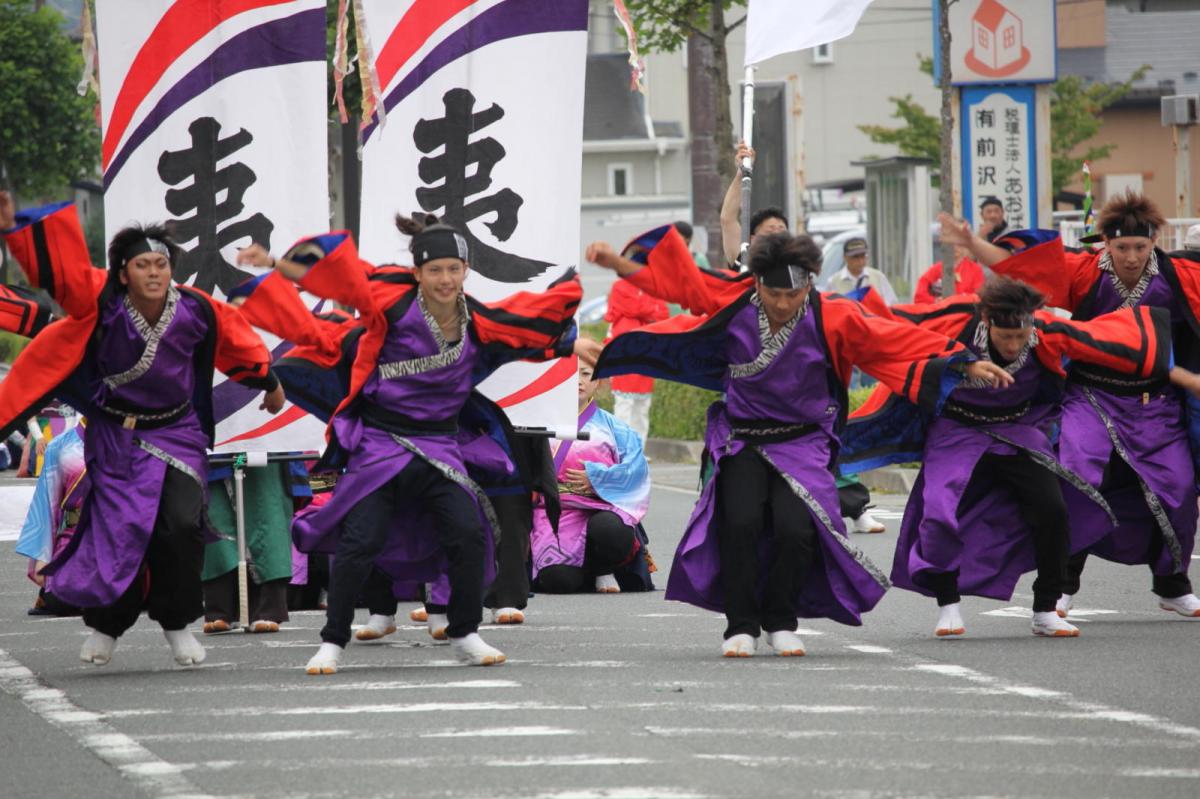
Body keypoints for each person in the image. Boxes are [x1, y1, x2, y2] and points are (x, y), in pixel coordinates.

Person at [586, 225, 1012, 657]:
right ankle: (741, 625)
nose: (784, 304)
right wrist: (618, 264)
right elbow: (686, 283)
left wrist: (964, 362)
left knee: (796, 531)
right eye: (774, 295)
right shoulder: (734, 302)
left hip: (804, 441)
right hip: (743, 438)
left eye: (794, 294)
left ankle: (780, 619)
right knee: (741, 523)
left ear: (809, 284)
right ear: (757, 284)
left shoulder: (834, 315)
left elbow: (894, 339)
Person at [235, 211, 581, 673]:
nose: (444, 279)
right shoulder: (391, 309)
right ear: (417, 273)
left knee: (468, 533)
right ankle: (333, 640)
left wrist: (573, 342)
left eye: (453, 269)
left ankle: (464, 631)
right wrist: (277, 263)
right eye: (434, 270)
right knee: (361, 542)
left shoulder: (476, 321)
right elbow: (343, 280)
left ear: (465, 272)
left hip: (441, 447)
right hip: (382, 444)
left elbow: (526, 329)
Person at [0, 193, 284, 668]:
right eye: (143, 265)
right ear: (123, 272)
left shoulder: (195, 310)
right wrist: (18, 230)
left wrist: (269, 384)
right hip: (116, 436)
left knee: (179, 525)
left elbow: (238, 340)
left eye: (162, 264)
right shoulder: (103, 305)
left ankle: (176, 624)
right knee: (121, 530)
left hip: (177, 432)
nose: (154, 272)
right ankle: (107, 627)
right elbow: (63, 277)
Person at [844, 276, 1184, 637]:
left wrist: (1171, 365)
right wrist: (960, 365)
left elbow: (1104, 339)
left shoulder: (1044, 332)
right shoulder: (957, 320)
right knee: (940, 511)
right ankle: (948, 605)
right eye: (1005, 336)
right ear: (988, 321)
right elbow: (893, 325)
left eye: (1020, 337)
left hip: (1016, 430)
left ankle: (1045, 608)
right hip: (956, 430)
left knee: (1053, 509)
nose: (1013, 344)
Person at [939, 191, 1200, 618]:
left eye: (1140, 247)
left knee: (1179, 490)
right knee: (1077, 476)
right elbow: (1024, 266)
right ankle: (1061, 583)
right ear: (1105, 244)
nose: (1131, 257)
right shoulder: (1085, 271)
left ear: (1154, 242)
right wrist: (974, 245)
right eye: (1121, 248)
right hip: (1090, 395)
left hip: (1156, 401)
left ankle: (1172, 583)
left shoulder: (1177, 276)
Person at [530, 357, 655, 595]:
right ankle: (580, 571)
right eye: (571, 374)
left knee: (610, 530)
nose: (578, 381)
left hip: (601, 509)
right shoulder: (536, 424)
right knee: (558, 582)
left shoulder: (615, 428)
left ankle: (603, 567)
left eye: (586, 374)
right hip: (556, 511)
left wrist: (598, 478)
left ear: (598, 382)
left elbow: (637, 472)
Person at [201, 460, 307, 634]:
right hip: (215, 446)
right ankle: (220, 609)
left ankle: (267, 609)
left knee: (267, 518)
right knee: (216, 522)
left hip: (264, 444)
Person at [16, 419, 86, 617]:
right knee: (64, 601)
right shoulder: (61, 445)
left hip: (118, 541)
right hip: (75, 538)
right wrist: (43, 558)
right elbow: (47, 504)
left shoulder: (131, 442)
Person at [604, 267, 669, 443]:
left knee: (641, 407)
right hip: (624, 351)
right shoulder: (620, 286)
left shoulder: (652, 287)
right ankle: (622, 447)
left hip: (645, 353)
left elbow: (663, 314)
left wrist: (643, 308)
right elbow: (633, 309)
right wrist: (648, 309)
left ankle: (638, 448)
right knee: (624, 406)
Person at [719, 141, 788, 269]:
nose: (777, 233)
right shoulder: (745, 262)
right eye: (770, 229)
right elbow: (727, 219)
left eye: (781, 229)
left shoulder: (799, 267)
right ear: (752, 239)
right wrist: (741, 174)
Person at [824, 237, 898, 304]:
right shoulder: (833, 281)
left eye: (863, 256)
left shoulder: (878, 277)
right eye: (855, 257)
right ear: (845, 257)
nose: (860, 260)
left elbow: (891, 304)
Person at [913, 246, 986, 303]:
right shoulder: (936, 269)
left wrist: (957, 300)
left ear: (965, 246)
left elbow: (979, 297)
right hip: (940, 313)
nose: (955, 247)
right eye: (951, 244)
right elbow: (919, 295)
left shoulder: (975, 269)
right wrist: (935, 300)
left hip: (966, 313)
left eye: (959, 244)